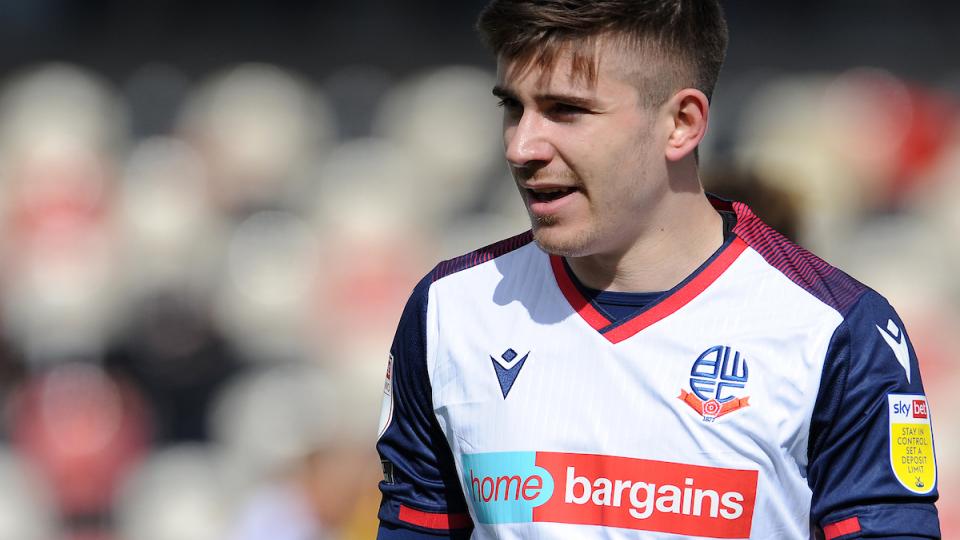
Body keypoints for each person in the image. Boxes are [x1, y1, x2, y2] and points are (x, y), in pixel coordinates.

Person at [375, 1, 941, 538]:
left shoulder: (837, 331)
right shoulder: (450, 310)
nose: (522, 147)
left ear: (681, 123)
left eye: (565, 110)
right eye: (512, 108)